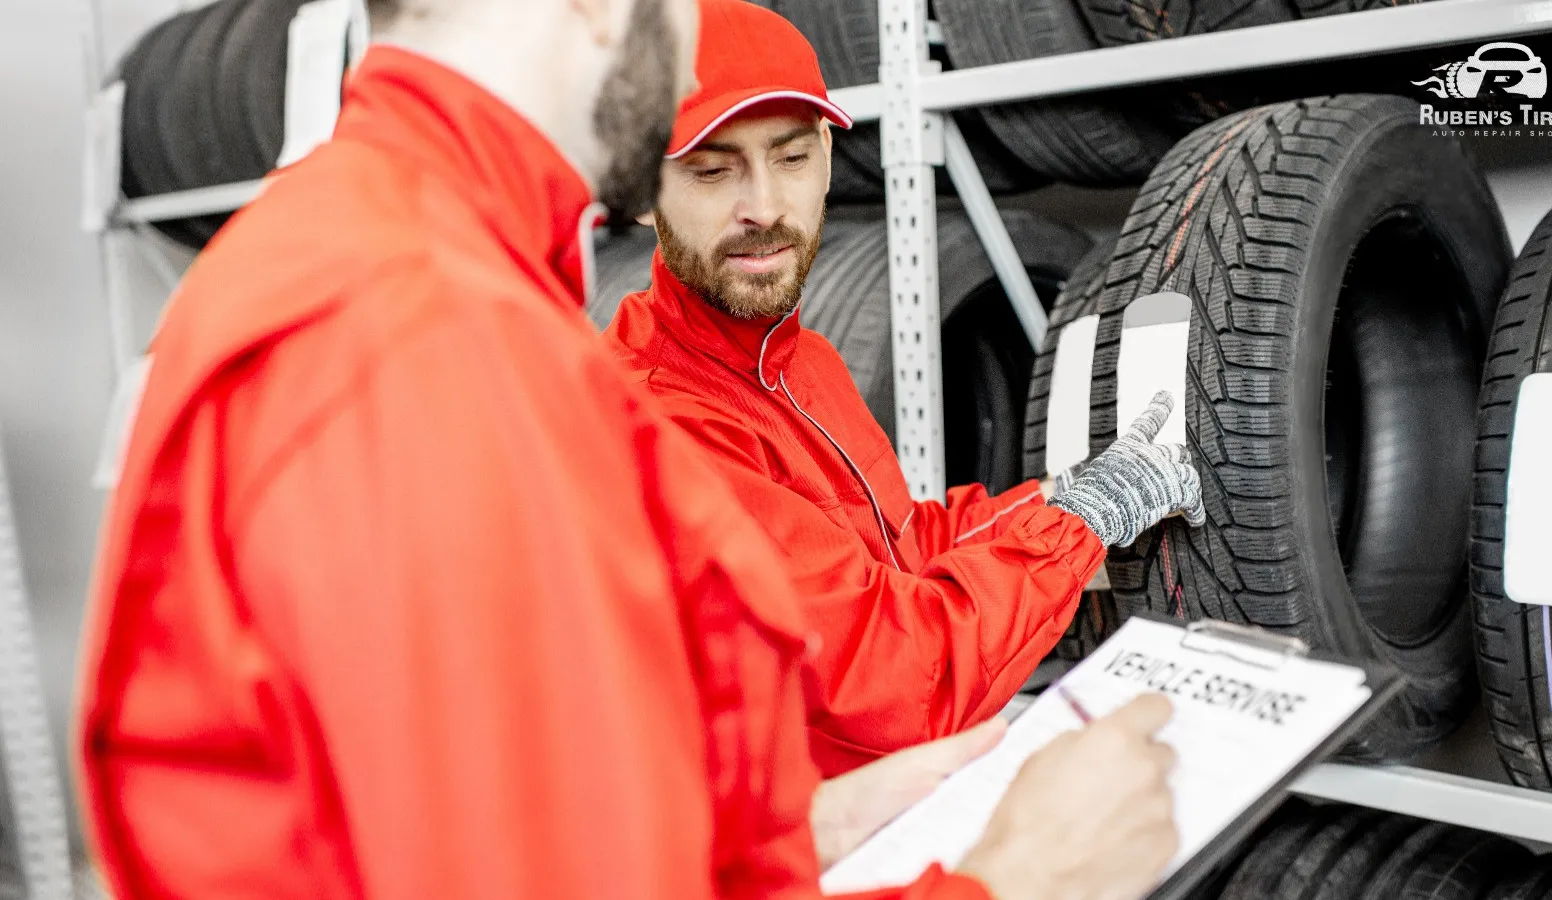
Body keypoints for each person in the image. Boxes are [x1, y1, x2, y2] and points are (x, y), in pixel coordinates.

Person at [76, 0, 1181, 897]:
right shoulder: (436, 341)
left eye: (792, 156)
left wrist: (808, 830)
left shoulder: (368, 256)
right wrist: (1013, 881)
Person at [606, 0, 1205, 775]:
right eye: (713, 170)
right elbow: (895, 681)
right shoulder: (657, 423)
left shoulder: (800, 363)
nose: (762, 207)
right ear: (647, 189)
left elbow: (900, 549)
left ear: (827, 153)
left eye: (790, 158)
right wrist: (1078, 528)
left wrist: (1060, 499)